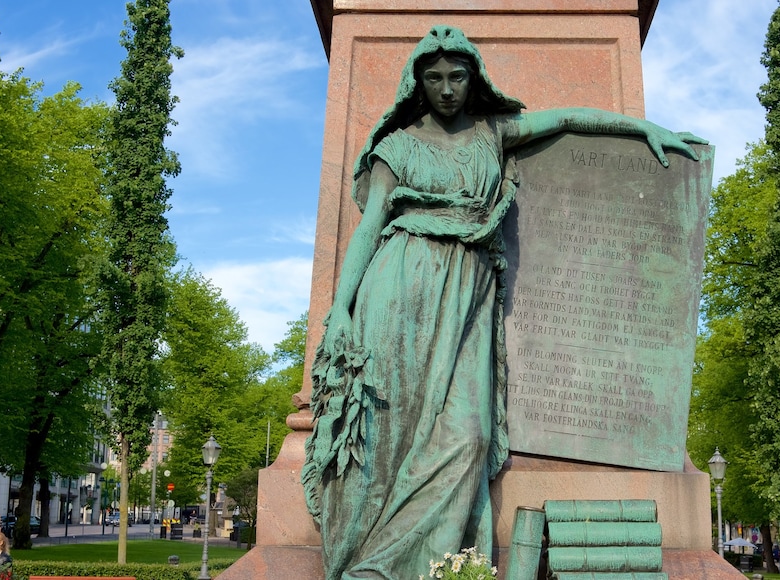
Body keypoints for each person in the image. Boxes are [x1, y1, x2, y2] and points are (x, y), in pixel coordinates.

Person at [301, 25, 704, 580]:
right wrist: (342, 308)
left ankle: (428, 566)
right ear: (417, 82)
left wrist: (640, 128)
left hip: (469, 291)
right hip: (402, 288)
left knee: (469, 434)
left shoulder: (492, 134)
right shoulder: (396, 147)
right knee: (387, 432)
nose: (446, 88)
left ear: (475, 80)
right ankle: (378, 562)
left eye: (458, 77)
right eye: (434, 77)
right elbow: (370, 227)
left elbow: (563, 120)